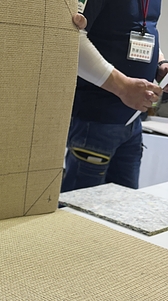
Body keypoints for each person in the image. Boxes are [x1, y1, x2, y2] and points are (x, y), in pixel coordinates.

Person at [63, 1, 168, 192]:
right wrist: (123, 87)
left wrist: (161, 62)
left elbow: (144, 29)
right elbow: (71, 38)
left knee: (124, 204)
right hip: (96, 119)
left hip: (133, 121)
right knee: (80, 205)